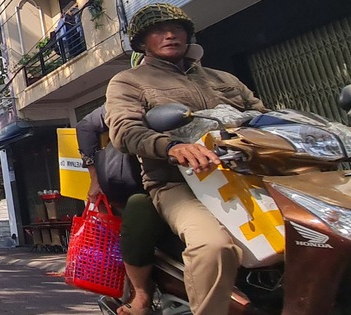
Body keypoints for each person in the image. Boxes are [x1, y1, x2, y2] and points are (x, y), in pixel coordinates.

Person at [104, 3, 271, 314]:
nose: (170, 35)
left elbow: (264, 118)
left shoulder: (223, 78)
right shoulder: (129, 81)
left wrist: (340, 138)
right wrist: (170, 147)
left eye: (177, 29)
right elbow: (125, 131)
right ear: (142, 42)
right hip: (178, 183)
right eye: (158, 30)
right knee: (213, 246)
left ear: (188, 36)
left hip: (246, 175)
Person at [76, 105, 173, 315]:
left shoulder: (213, 85)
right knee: (140, 207)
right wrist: (95, 178)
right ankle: (141, 294)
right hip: (150, 182)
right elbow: (85, 126)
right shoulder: (129, 95)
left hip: (203, 177)